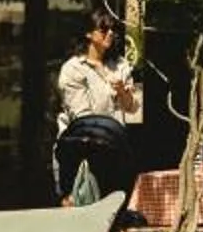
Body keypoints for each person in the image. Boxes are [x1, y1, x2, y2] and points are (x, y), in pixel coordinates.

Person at [52, 13, 141, 204]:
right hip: (77, 149)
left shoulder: (121, 66)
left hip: (113, 149)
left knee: (113, 211)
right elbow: (81, 116)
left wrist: (122, 92)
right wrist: (111, 94)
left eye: (113, 30)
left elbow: (132, 108)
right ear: (89, 34)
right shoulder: (73, 68)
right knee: (76, 207)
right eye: (103, 30)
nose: (110, 34)